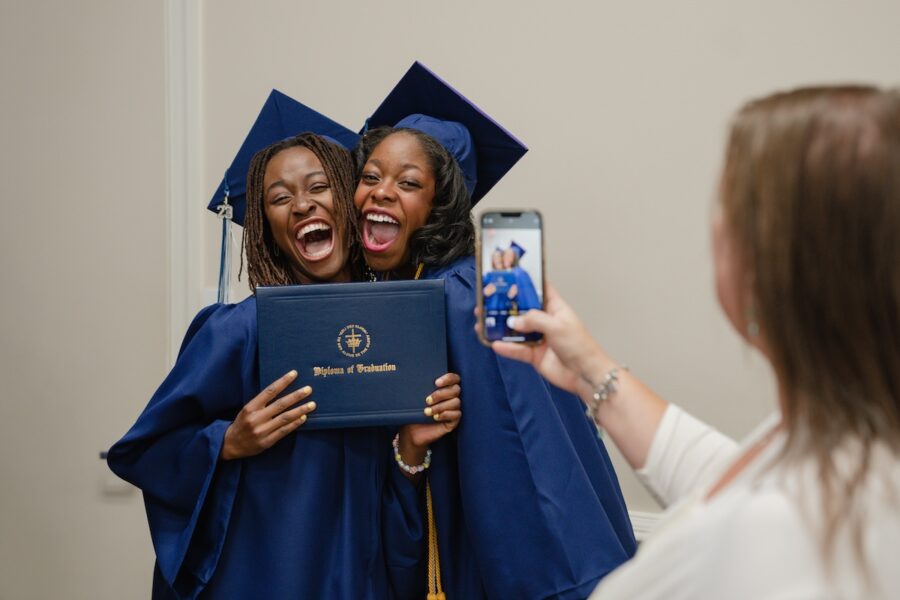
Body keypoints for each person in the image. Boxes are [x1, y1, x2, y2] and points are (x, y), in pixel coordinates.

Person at [489, 85, 900, 599]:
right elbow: (726, 474)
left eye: (727, 205)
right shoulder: (847, 425)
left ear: (767, 267)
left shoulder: (773, 538)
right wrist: (590, 368)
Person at [107, 92, 462, 599]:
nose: (302, 204)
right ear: (269, 230)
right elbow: (142, 452)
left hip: (356, 582)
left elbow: (399, 510)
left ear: (351, 202)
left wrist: (410, 448)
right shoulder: (240, 330)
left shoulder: (398, 332)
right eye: (279, 197)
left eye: (320, 186)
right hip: (261, 581)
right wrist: (226, 442)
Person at [353, 61, 636, 599]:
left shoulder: (466, 295)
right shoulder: (402, 289)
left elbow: (522, 452)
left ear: (442, 203)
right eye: (370, 176)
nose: (381, 191)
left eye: (408, 182)